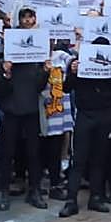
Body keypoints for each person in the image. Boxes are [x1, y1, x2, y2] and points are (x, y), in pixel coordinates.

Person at [60, 37, 111, 217]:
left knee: (99, 158)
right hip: (85, 115)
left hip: (105, 114)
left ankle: (95, 197)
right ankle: (71, 200)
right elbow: (66, 88)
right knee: (78, 159)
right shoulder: (80, 64)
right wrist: (72, 71)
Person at [0, 7, 47, 211]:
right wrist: (6, 74)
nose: (27, 20)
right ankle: (4, 193)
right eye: (24, 17)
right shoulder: (7, 54)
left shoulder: (38, 52)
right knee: (8, 152)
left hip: (31, 108)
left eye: (30, 17)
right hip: (12, 109)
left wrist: (44, 72)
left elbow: (40, 87)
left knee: (34, 152)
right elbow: (0, 88)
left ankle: (34, 191)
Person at [40, 45, 74, 202]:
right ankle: (38, 185)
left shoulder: (60, 55)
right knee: (41, 148)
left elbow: (74, 62)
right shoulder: (34, 56)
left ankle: (55, 184)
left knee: (56, 147)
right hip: (42, 108)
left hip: (59, 111)